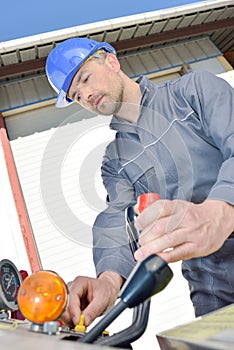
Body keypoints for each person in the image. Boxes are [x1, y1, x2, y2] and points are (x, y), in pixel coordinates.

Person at [46, 37, 234, 328]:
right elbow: (117, 220)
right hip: (211, 284)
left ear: (111, 61)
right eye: (76, 96)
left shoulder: (194, 91)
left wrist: (222, 211)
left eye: (85, 79)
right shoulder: (116, 160)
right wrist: (108, 281)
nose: (85, 95)